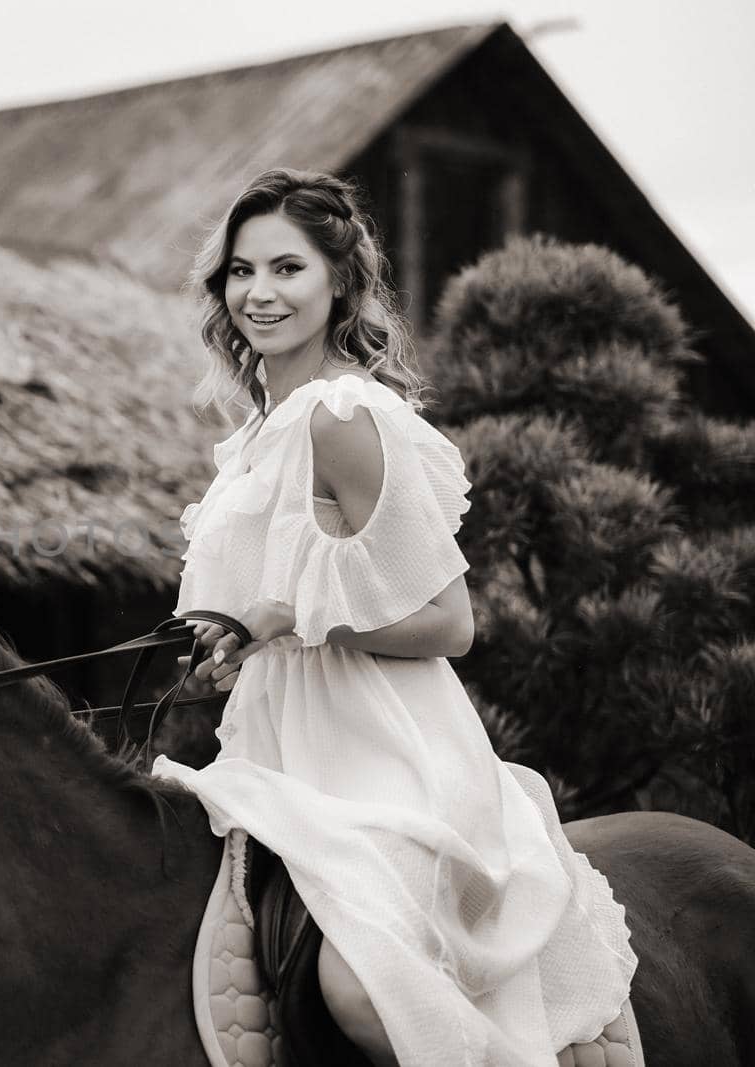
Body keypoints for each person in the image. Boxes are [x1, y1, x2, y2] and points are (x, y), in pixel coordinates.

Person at [151, 169, 636, 1066]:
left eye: (288, 268)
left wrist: (288, 619)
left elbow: (448, 621)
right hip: (277, 746)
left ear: (339, 281)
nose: (260, 293)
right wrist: (241, 639)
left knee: (358, 989)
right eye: (241, 271)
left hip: (382, 756)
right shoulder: (258, 435)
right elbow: (283, 608)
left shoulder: (343, 417)